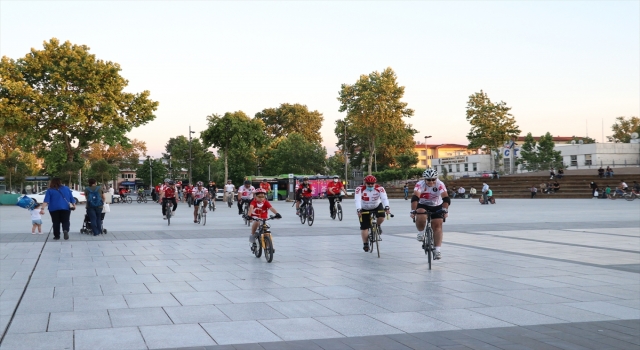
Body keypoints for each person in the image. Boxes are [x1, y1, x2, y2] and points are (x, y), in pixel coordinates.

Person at [413, 169, 449, 260]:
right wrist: (413, 211)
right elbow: (415, 198)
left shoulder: (440, 184)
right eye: (429, 180)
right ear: (425, 179)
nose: (431, 182)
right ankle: (421, 232)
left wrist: (445, 210)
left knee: (437, 226)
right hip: (423, 204)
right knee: (420, 212)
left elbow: (446, 199)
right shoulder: (419, 184)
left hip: (437, 205)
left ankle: (437, 250)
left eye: (433, 179)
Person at [355, 175, 390, 252]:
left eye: (372, 183)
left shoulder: (380, 189)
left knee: (382, 216)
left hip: (376, 205)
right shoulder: (359, 189)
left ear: (375, 183)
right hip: (364, 207)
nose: (370, 185)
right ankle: (365, 244)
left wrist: (387, 207)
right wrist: (358, 209)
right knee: (364, 227)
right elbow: (357, 200)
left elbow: (384, 198)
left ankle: (378, 225)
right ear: (365, 183)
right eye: (368, 183)